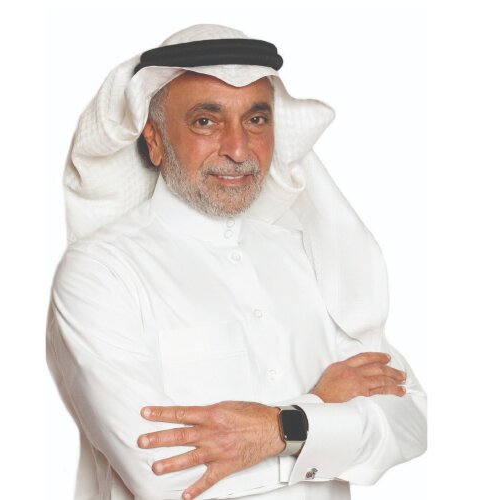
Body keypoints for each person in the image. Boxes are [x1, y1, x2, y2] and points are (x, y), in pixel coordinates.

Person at [46, 24, 427, 500]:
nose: (239, 148)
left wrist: (273, 429)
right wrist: (314, 414)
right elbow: (165, 474)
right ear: (155, 139)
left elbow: (408, 422)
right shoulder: (101, 273)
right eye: (206, 121)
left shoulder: (310, 256)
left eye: (256, 119)